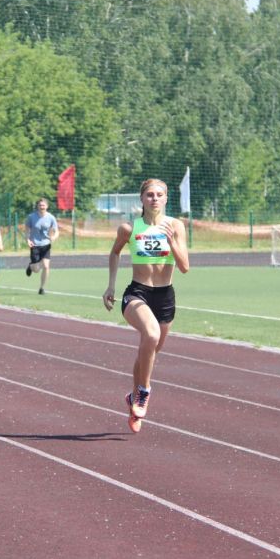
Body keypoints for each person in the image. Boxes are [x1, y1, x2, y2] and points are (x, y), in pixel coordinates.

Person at [102, 178, 189, 433]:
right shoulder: (129, 228)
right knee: (150, 335)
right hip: (137, 293)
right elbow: (115, 252)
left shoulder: (175, 226)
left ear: (166, 198)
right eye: (150, 194)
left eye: (159, 194)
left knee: (149, 352)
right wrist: (111, 286)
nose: (154, 199)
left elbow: (184, 267)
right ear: (141, 198)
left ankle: (132, 398)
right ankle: (143, 391)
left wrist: (172, 242)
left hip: (165, 296)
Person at [24, 197, 59, 295]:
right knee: (36, 269)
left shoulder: (51, 217)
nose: (42, 207)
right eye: (40, 205)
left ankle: (42, 288)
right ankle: (31, 266)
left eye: (43, 205)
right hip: (35, 245)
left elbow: (56, 231)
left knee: (46, 266)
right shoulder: (31, 217)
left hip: (46, 245)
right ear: (37, 206)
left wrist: (54, 237)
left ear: (47, 206)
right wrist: (27, 240)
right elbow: (26, 230)